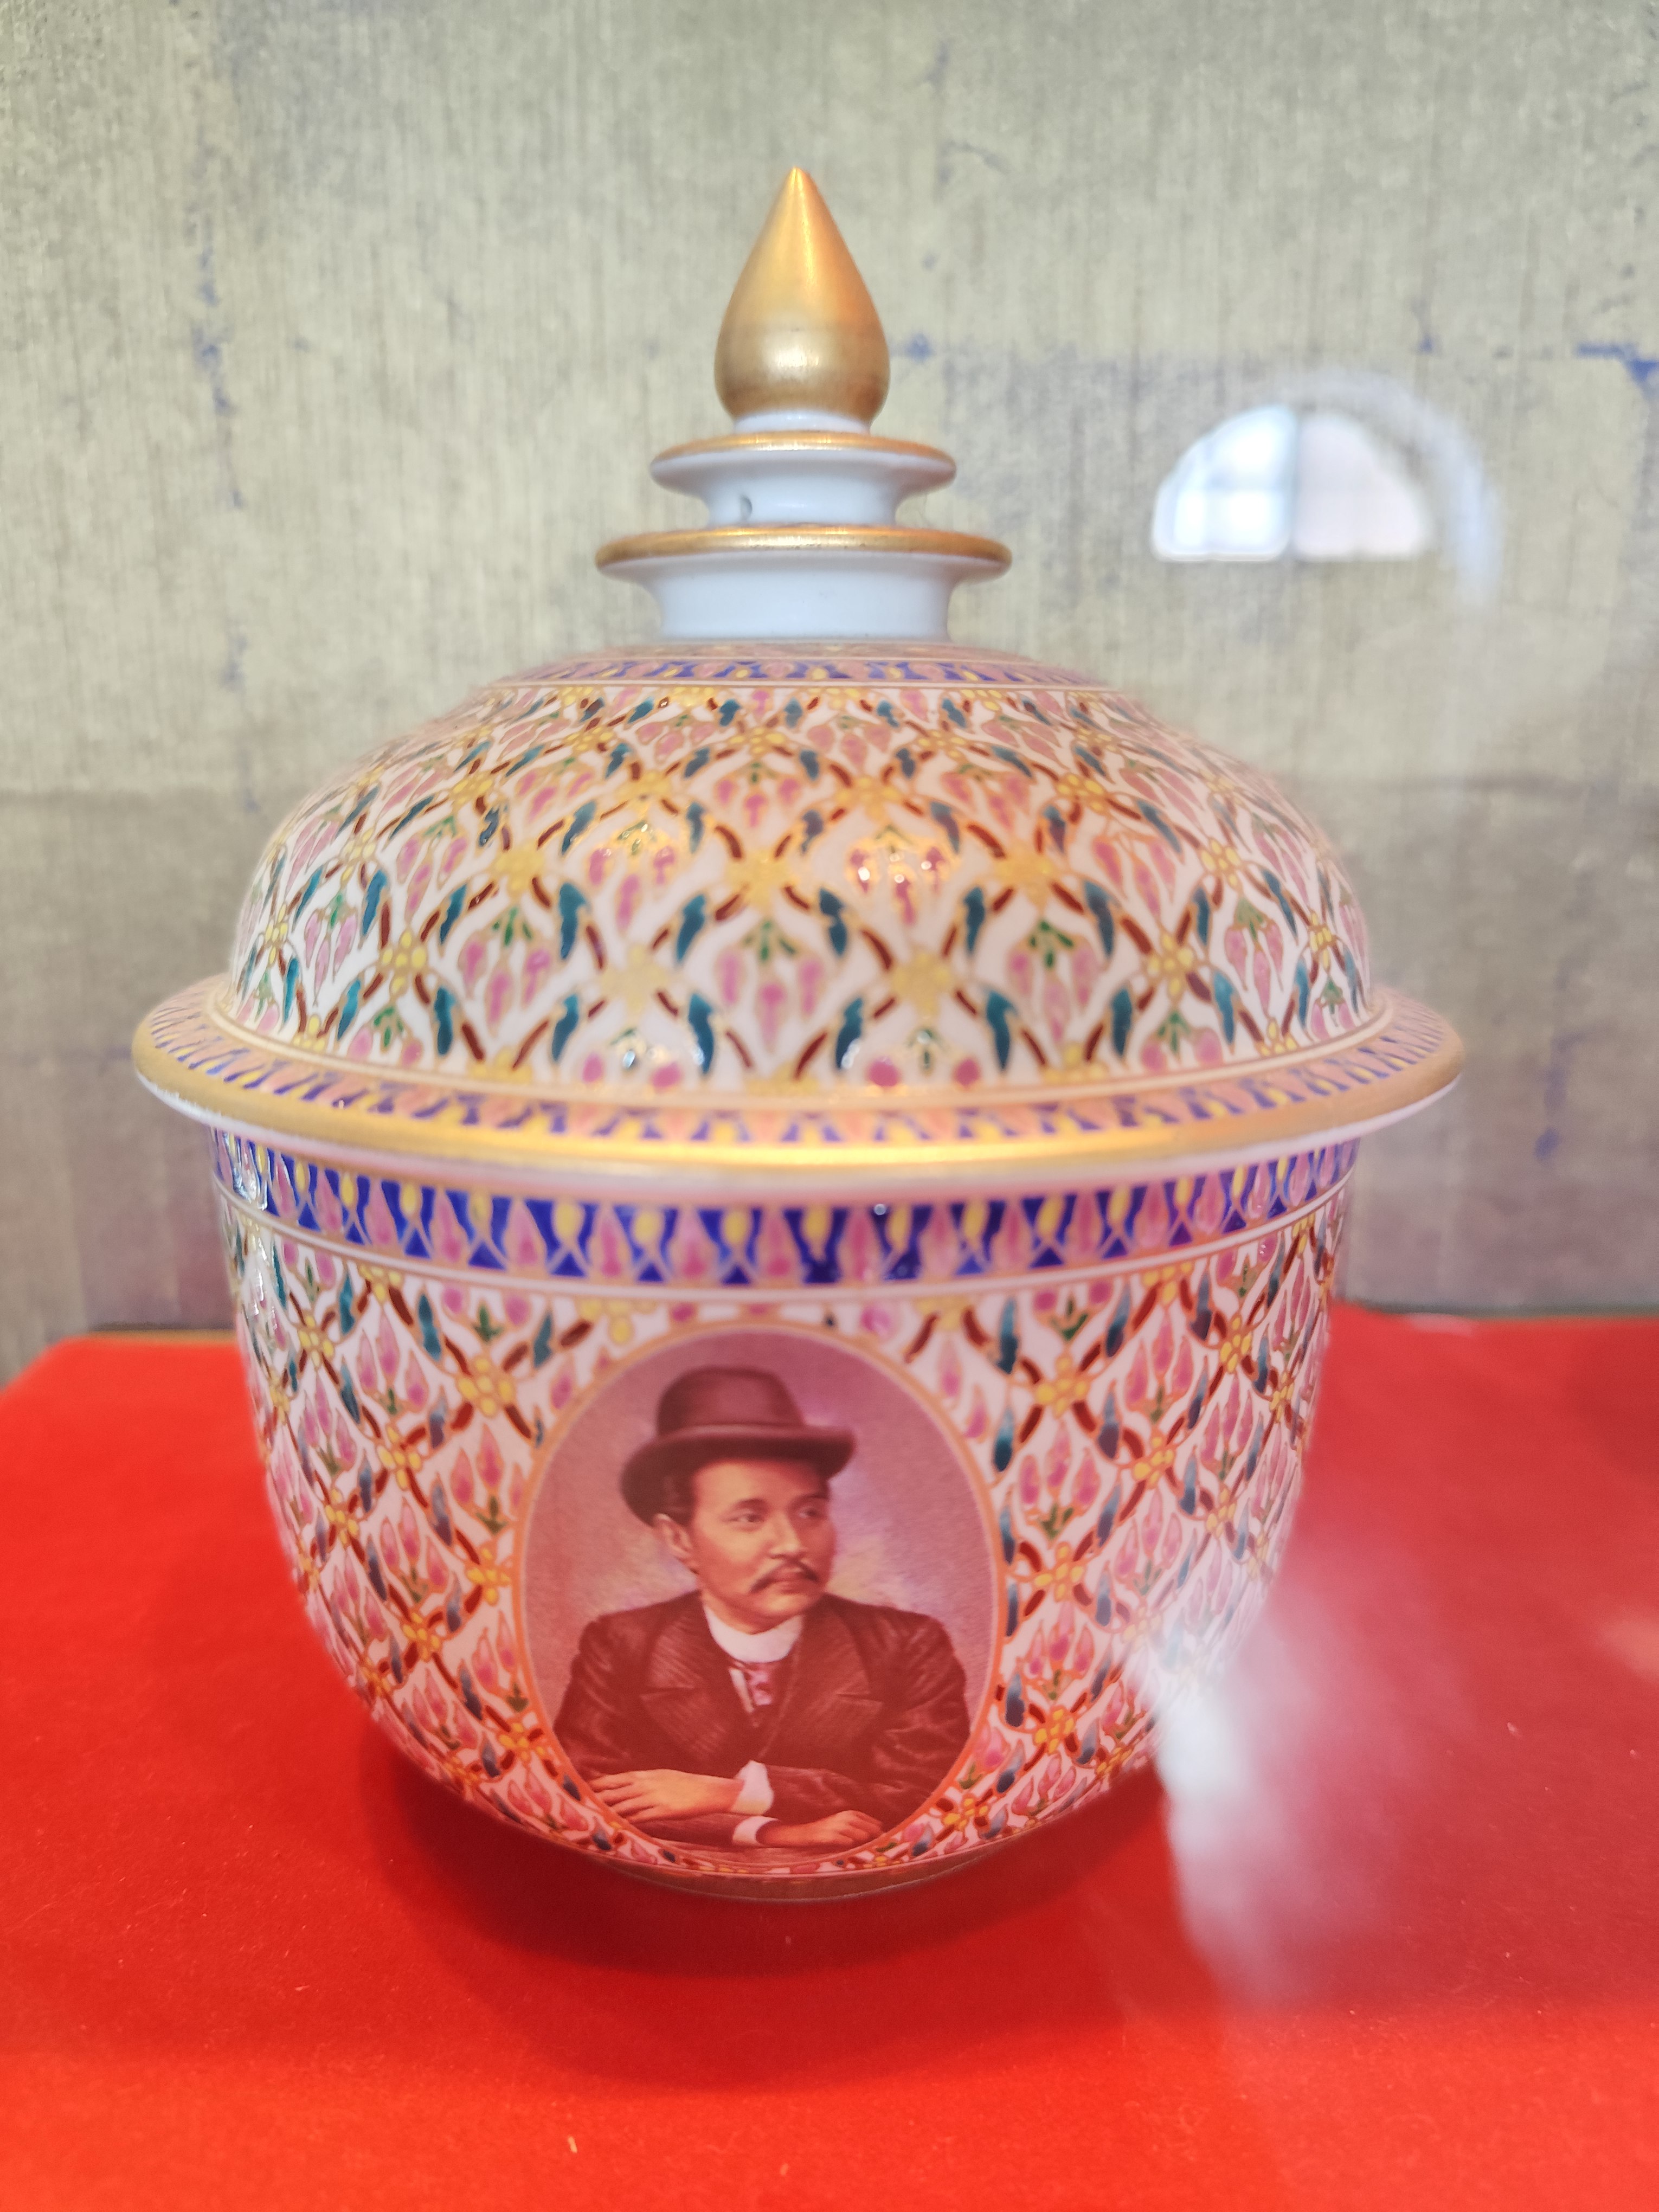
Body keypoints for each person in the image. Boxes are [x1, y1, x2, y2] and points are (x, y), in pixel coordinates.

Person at [554, 1365, 969, 1852]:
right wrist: (770, 1831)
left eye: (810, 1512)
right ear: (680, 1539)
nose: (792, 1544)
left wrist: (736, 1793)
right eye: (750, 1518)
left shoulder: (905, 1646)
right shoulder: (622, 1646)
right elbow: (596, 1795)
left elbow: (921, 1794)